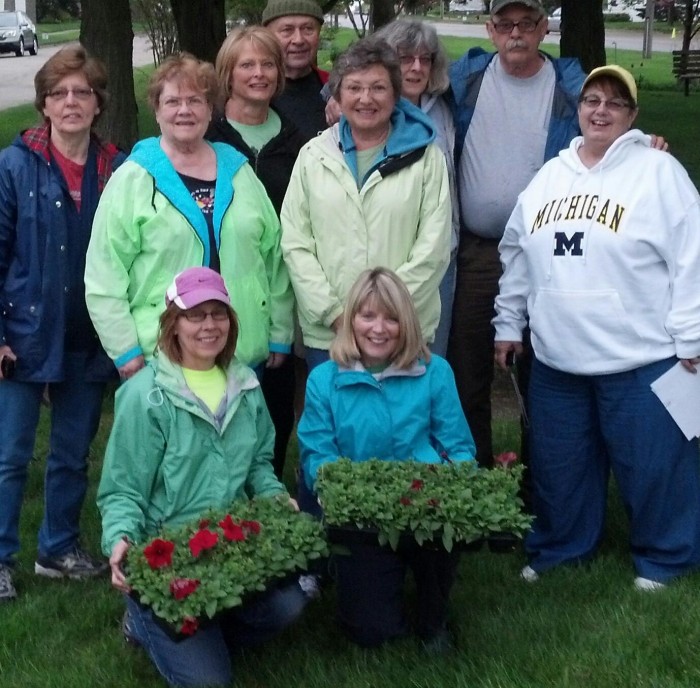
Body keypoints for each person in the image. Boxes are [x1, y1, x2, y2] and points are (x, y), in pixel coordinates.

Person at [493, 65, 700, 591]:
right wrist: (508, 322)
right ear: (578, 110)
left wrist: (692, 335)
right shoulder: (550, 177)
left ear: (631, 115)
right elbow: (517, 251)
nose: (600, 110)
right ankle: (560, 548)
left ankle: (664, 558)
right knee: (561, 470)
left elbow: (690, 256)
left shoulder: (658, 172)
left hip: (641, 358)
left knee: (655, 469)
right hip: (560, 361)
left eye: (614, 102)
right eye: (591, 100)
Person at [98, 267, 308, 687]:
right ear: (173, 324)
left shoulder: (246, 385)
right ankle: (145, 621)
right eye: (195, 315)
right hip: (167, 553)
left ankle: (208, 626)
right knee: (210, 682)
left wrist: (274, 497)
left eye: (219, 314)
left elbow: (257, 467)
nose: (209, 325)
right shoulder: (147, 396)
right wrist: (120, 537)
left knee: (289, 605)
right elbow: (122, 489)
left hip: (228, 546)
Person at [0, 46, 124, 601]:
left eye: (82, 92)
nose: (71, 102)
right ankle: (1, 558)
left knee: (73, 452)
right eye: (59, 93)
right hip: (23, 333)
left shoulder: (117, 169)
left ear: (98, 104)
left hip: (91, 335)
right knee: (11, 455)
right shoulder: (15, 165)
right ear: (44, 104)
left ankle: (58, 549)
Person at [85, 53, 293, 382]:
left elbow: (274, 256)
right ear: (157, 111)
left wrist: (280, 329)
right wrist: (125, 350)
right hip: (162, 355)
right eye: (173, 101)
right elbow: (103, 274)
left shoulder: (239, 172)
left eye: (195, 100)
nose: (185, 110)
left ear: (211, 110)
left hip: (241, 350)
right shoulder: (133, 179)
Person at [297, 267, 476, 651]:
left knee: (431, 606)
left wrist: (444, 489)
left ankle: (434, 614)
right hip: (361, 518)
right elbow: (317, 454)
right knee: (372, 632)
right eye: (367, 316)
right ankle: (348, 571)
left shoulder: (435, 372)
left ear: (406, 322)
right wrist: (343, 491)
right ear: (350, 321)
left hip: (426, 507)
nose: (379, 328)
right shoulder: (324, 380)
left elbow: (459, 448)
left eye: (391, 317)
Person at [446, 0, 585, 468]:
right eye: (505, 24)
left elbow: (612, 125)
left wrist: (645, 143)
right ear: (490, 29)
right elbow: (398, 83)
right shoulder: (465, 79)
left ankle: (538, 488)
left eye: (527, 23)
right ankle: (477, 484)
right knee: (468, 372)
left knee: (543, 375)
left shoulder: (572, 88)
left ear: (545, 28)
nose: (516, 33)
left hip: (547, 253)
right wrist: (334, 99)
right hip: (479, 253)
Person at [281, 36, 451, 372]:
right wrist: (335, 315)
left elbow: (433, 248)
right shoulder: (313, 157)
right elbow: (295, 243)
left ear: (395, 93)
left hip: (402, 333)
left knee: (401, 424)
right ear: (338, 95)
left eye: (378, 88)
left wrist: (385, 317)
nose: (365, 99)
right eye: (354, 88)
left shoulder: (427, 159)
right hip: (329, 335)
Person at [208, 26, 306, 479]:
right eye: (247, 64)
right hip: (216, 296)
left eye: (268, 64)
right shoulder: (208, 136)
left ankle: (265, 505)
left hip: (279, 294)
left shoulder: (298, 140)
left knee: (272, 415)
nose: (259, 73)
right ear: (228, 74)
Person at [373, 19, 458, 357]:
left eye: (426, 59)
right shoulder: (371, 112)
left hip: (442, 253)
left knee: (429, 355)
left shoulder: (445, 109)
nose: (417, 67)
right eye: (406, 58)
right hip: (389, 251)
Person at [262, 0, 329, 141]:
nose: (298, 40)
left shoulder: (336, 89)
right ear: (268, 36)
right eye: (287, 30)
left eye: (308, 29)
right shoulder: (249, 92)